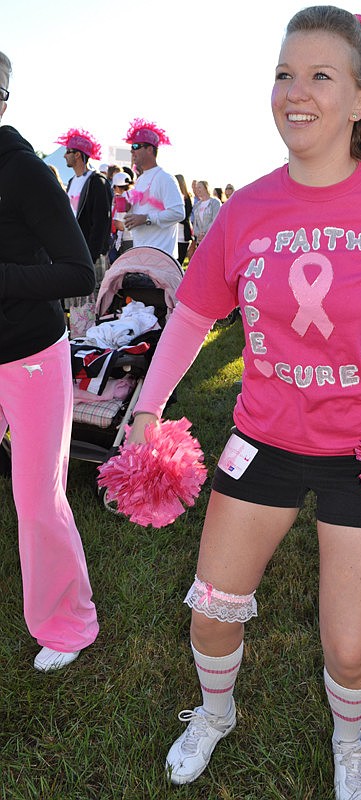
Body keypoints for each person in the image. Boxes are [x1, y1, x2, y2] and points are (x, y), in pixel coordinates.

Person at [127, 8, 361, 798]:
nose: (294, 91)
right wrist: (147, 408)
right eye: (283, 74)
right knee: (211, 612)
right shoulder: (247, 208)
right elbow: (192, 314)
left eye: (318, 76)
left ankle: (348, 739)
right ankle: (215, 714)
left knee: (351, 649)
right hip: (260, 443)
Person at [0, 51, 99, 671]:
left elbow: (79, 271)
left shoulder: (25, 171)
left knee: (38, 499)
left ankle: (68, 624)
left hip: (31, 354)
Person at [59, 127, 113, 305]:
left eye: (68, 151)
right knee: (75, 305)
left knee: (92, 305)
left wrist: (91, 255)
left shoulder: (97, 182)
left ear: (77, 155)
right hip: (73, 252)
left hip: (91, 255)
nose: (64, 155)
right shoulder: (72, 182)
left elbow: (101, 222)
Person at [123, 118, 184, 257]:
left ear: (150, 149)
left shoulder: (165, 178)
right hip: (140, 253)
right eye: (131, 147)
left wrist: (146, 219)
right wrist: (128, 207)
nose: (132, 151)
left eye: (136, 146)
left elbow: (178, 213)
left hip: (160, 256)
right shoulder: (140, 180)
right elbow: (140, 213)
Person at [109, 171, 133, 263]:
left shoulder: (122, 199)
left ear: (117, 187)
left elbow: (120, 225)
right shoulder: (136, 194)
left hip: (127, 239)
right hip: (139, 239)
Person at [190, 179, 221, 244]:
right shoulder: (197, 205)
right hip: (200, 240)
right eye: (196, 188)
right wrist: (198, 234)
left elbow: (215, 220)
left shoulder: (215, 202)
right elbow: (195, 224)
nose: (197, 190)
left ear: (206, 188)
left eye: (199, 187)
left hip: (212, 238)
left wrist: (204, 234)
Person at [175, 173, 193, 264]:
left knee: (179, 261)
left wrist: (173, 217)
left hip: (182, 235)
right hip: (174, 234)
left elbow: (185, 216)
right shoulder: (172, 198)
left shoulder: (187, 199)